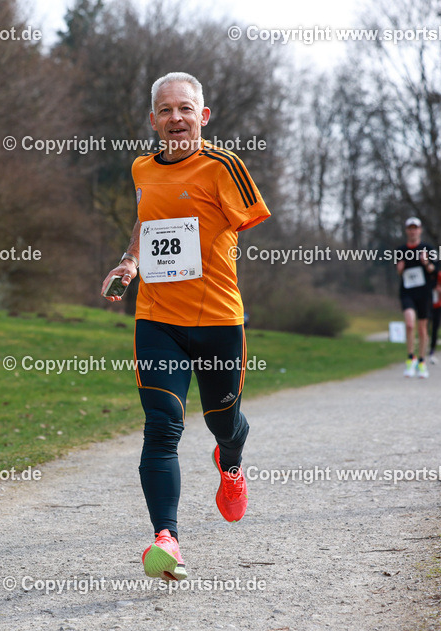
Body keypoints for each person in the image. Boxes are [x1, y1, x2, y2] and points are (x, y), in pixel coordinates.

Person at [101, 71, 270, 582]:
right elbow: (146, 219)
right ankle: (166, 539)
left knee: (223, 420)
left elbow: (241, 222)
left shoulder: (224, 166)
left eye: (185, 109)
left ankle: (231, 463)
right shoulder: (140, 169)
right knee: (162, 427)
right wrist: (129, 263)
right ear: (152, 120)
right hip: (158, 320)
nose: (176, 118)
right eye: (166, 110)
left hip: (218, 320)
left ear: (203, 115)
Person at [395, 218, 438, 378]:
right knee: (409, 323)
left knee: (422, 328)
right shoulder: (400, 250)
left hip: (424, 293)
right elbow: (399, 270)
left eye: (415, 228)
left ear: (420, 230)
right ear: (406, 231)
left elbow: (435, 270)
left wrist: (427, 263)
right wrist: (399, 270)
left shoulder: (428, 248)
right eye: (410, 228)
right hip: (407, 292)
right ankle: (410, 358)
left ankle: (422, 361)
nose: (412, 231)